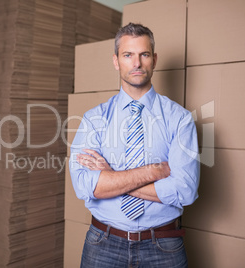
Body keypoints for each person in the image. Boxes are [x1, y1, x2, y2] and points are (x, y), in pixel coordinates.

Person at [69, 23, 200, 268]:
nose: (137, 63)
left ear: (154, 59)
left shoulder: (179, 119)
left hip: (163, 245)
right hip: (103, 244)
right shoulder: (93, 119)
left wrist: (111, 177)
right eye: (128, 55)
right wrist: (155, 172)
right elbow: (86, 186)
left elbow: (185, 191)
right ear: (116, 61)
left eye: (144, 54)